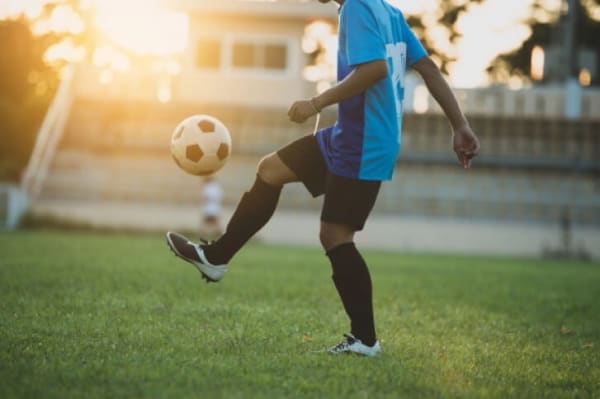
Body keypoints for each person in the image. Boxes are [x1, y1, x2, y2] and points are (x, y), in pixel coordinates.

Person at [166, 0, 480, 357]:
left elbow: (375, 69)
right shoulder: (388, 12)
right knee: (270, 170)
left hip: (364, 142)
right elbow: (428, 69)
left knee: (334, 235)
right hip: (347, 135)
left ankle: (365, 340)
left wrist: (315, 103)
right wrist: (461, 125)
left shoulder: (357, 8)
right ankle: (217, 257)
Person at [199, 176, 224, 240]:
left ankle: (202, 237)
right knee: (216, 224)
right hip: (216, 208)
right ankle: (221, 237)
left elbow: (205, 198)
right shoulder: (217, 187)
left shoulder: (207, 187)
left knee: (204, 224)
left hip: (208, 208)